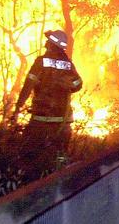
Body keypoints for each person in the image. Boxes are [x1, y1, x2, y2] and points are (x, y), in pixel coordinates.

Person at [13, 30, 83, 177]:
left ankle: (30, 182)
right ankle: (59, 177)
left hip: (41, 119)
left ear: (51, 44)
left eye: (48, 41)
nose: (46, 43)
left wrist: (18, 106)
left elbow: (28, 84)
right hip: (63, 122)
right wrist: (66, 85)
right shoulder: (68, 64)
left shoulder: (41, 61)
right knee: (60, 154)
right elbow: (78, 84)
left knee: (30, 153)